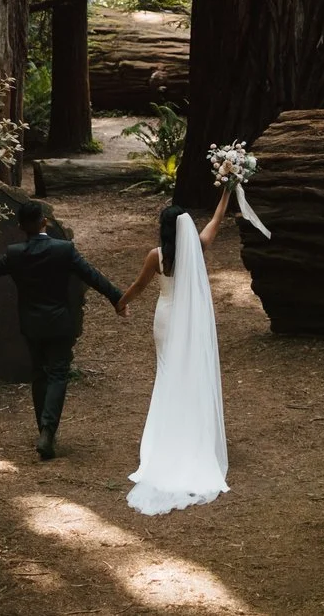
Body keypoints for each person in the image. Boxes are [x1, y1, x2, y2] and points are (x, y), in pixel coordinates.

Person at [0, 199, 124, 460]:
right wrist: (117, 298)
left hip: (32, 324)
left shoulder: (16, 254)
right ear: (43, 222)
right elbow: (91, 275)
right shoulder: (64, 250)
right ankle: (48, 430)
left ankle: (44, 430)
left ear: (21, 226)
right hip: (60, 322)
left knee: (39, 374)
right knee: (58, 373)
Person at [118, 183, 233, 514]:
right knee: (189, 372)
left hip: (167, 318)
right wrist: (226, 193)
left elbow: (139, 286)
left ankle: (166, 437)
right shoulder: (197, 247)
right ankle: (193, 434)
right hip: (191, 321)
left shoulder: (157, 256)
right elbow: (216, 220)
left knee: (167, 373)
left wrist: (120, 302)